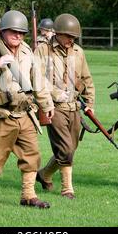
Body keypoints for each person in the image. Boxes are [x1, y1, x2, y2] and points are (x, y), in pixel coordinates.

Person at [0, 10, 55, 208]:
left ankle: (28, 196)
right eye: (14, 32)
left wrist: (47, 104)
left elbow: (38, 80)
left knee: (32, 154)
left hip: (24, 112)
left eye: (22, 33)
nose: (18, 36)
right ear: (3, 31)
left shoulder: (25, 50)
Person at [34, 13, 95, 199]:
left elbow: (86, 79)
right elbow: (36, 78)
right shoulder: (43, 50)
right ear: (58, 33)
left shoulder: (78, 52)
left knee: (70, 148)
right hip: (53, 107)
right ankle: (67, 189)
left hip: (74, 107)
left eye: (74, 37)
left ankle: (44, 174)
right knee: (66, 149)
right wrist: (54, 93)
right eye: (68, 36)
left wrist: (90, 102)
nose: (71, 40)